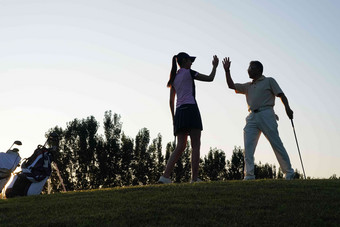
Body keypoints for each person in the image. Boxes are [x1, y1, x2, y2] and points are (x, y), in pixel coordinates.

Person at [223, 57, 295, 180]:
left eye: (250, 68)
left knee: (276, 143)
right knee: (248, 147)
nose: (248, 70)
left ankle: (288, 172)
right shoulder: (248, 86)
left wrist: (287, 108)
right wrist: (227, 71)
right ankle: (249, 175)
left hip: (266, 113)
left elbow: (281, 95)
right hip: (252, 116)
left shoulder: (269, 81)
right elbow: (231, 85)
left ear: (258, 69)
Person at [158, 52, 219, 184]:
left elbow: (171, 101)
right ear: (184, 61)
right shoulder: (189, 72)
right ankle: (194, 178)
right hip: (191, 109)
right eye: (190, 61)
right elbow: (210, 78)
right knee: (196, 145)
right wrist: (214, 66)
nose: (191, 63)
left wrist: (174, 117)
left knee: (180, 146)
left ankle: (165, 177)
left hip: (179, 112)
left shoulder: (173, 78)